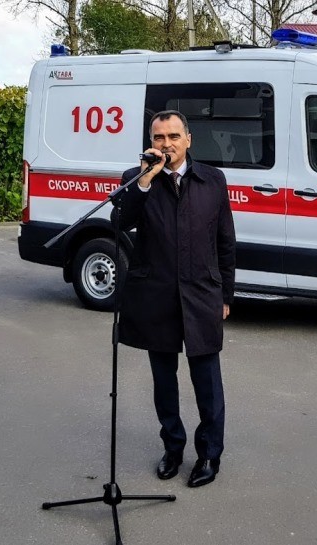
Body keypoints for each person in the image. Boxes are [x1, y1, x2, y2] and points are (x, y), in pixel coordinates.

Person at [111, 110, 235, 488]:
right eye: (159, 137)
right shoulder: (137, 179)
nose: (166, 144)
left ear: (188, 140)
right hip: (157, 294)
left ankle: (209, 454)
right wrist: (143, 182)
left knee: (207, 382)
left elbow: (225, 241)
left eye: (174, 136)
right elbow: (120, 223)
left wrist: (225, 294)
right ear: (151, 142)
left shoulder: (212, 180)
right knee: (164, 382)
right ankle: (173, 447)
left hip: (201, 293)